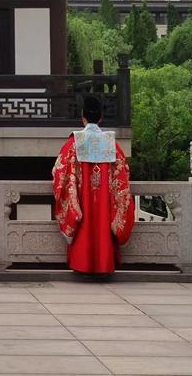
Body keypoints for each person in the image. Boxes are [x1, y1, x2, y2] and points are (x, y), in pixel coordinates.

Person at [52, 94, 135, 275]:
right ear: (100, 117)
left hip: (83, 202)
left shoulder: (72, 145)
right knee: (104, 217)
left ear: (82, 117)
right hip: (105, 205)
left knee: (84, 219)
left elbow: (60, 173)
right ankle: (104, 262)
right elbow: (123, 179)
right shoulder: (113, 146)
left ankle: (83, 263)